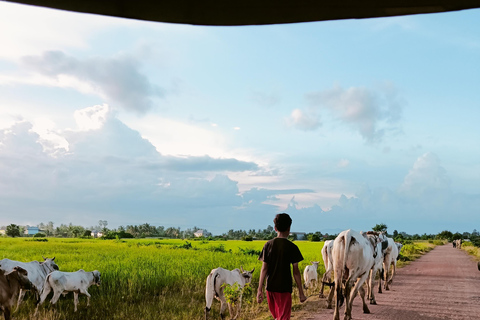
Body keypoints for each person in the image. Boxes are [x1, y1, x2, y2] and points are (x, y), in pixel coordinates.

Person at [256, 213, 307, 320]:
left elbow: (264, 269)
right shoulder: (292, 247)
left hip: (270, 289)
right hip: (284, 289)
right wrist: (301, 293)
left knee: (277, 317)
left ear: (275, 228)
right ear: (289, 228)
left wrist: (259, 289)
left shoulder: (268, 245)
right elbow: (296, 272)